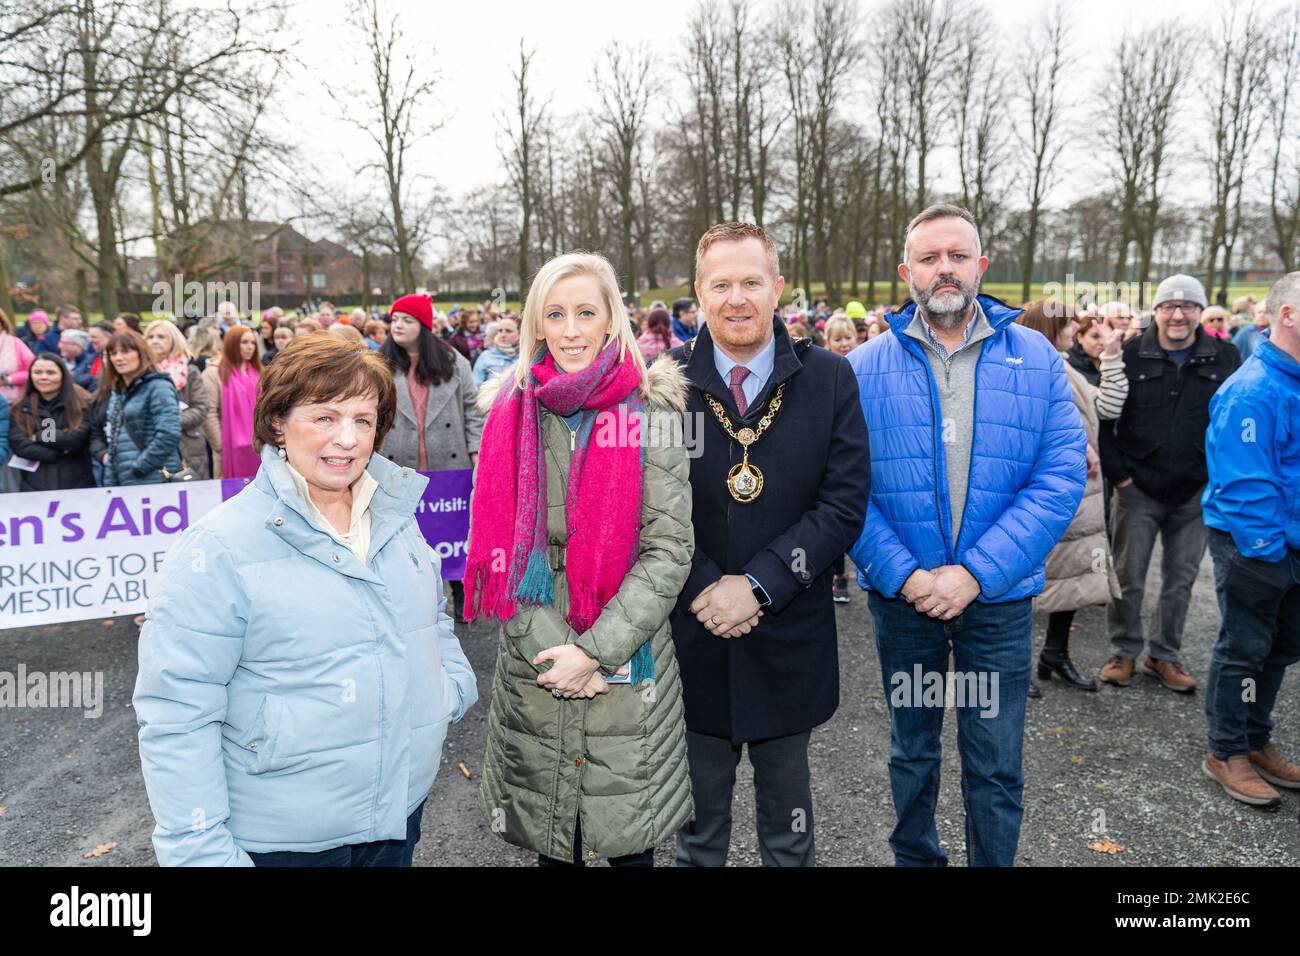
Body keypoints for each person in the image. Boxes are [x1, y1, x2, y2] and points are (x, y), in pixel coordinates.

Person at [133, 334, 476, 866]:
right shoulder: (218, 548)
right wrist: (199, 852)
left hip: (398, 816)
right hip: (285, 844)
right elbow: (178, 714)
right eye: (324, 418)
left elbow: (432, 616)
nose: (348, 439)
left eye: (363, 420)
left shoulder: (395, 518)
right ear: (277, 424)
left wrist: (446, 690)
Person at [847, 203, 1086, 867]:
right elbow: (844, 489)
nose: (944, 268)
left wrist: (976, 573)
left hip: (999, 603)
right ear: (908, 271)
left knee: (996, 764)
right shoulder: (863, 368)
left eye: (957, 255)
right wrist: (907, 575)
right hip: (905, 603)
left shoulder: (1036, 358)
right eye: (929, 258)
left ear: (981, 265)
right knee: (912, 754)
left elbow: (1060, 477)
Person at [468, 252, 692, 867]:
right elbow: (498, 551)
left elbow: (668, 549)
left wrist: (594, 652)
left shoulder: (655, 411)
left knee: (628, 843)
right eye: (555, 314)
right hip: (536, 654)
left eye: (585, 313)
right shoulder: (508, 412)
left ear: (610, 318)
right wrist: (556, 654)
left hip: (627, 651)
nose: (570, 330)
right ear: (536, 322)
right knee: (553, 842)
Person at [664, 222, 870, 867]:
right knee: (696, 832)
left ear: (777, 288)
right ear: (699, 292)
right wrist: (706, 587)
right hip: (689, 635)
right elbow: (644, 510)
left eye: (751, 282)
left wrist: (758, 584)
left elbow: (843, 503)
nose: (737, 298)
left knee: (790, 832)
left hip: (788, 632)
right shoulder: (660, 385)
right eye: (721, 284)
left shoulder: (829, 377)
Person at [1099, 274, 1241, 691]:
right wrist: (1120, 477)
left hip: (1195, 492)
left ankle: (1164, 655)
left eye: (1188, 307)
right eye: (1168, 306)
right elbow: (1108, 422)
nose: (1178, 315)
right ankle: (1123, 651)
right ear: (1156, 310)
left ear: (1200, 312)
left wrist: (1216, 479)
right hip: (1136, 489)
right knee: (1128, 576)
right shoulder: (1129, 354)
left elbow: (1233, 423)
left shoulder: (1226, 357)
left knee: (1181, 579)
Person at [1200, 271, 1300, 806]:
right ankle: (1227, 751)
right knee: (1244, 650)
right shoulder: (1252, 389)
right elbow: (1244, 484)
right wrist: (1267, 553)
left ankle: (1256, 740)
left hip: (1290, 545)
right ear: (1287, 315)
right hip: (1255, 547)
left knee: (1281, 649)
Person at [1017, 301, 1126, 697]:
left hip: (1080, 490)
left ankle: (1054, 654)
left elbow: (1104, 407)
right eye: (1068, 326)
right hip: (1053, 488)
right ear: (1051, 327)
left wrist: (1112, 361)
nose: (1074, 333)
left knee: (1073, 577)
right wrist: (1076, 445)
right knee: (1032, 578)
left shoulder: (1061, 364)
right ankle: (1018, 664)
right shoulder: (1031, 367)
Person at [89, 329, 183, 486]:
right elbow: (113, 442)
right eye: (113, 354)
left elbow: (169, 434)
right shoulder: (118, 392)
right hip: (124, 483)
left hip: (154, 478)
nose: (119, 358)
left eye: (125, 352)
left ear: (141, 353)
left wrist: (139, 468)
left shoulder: (158, 387)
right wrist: (111, 481)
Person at [6, 353, 95, 491]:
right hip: (33, 486)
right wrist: (58, 452)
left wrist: (38, 436)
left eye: (51, 373)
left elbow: (76, 439)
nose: (43, 377)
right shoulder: (19, 408)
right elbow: (19, 444)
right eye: (37, 372)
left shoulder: (83, 404)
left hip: (78, 485)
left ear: (63, 376)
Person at [145, 319, 212, 480]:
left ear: (174, 341)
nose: (155, 341)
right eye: (150, 337)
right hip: (150, 446)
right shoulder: (140, 373)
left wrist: (170, 422)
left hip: (187, 446)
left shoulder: (190, 371)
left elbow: (201, 407)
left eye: (161, 337)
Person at [0, 307, 36, 403]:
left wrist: (8, 380)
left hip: (15, 402)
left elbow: (34, 370)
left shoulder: (15, 343)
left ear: (2, 323)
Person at [472, 315, 519, 386]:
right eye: (500, 330)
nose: (503, 334)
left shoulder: (526, 357)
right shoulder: (485, 356)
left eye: (508, 331)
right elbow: (475, 386)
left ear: (519, 334)